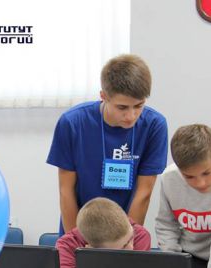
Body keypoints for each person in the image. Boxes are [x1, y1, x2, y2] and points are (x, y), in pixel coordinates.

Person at [47, 54, 168, 235]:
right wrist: (75, 241)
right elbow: (66, 191)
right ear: (103, 96)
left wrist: (126, 241)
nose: (131, 116)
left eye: (138, 106)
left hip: (125, 231)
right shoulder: (73, 123)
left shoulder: (154, 125)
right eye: (122, 107)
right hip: (79, 228)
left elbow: (143, 194)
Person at [155, 124, 211, 268]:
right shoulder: (169, 178)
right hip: (191, 258)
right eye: (189, 177)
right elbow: (166, 224)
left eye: (206, 173)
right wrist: (172, 261)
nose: (200, 183)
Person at [56, 197, 151, 268]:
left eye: (130, 238)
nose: (131, 248)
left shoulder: (140, 235)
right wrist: (94, 258)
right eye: (123, 247)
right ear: (95, 248)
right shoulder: (66, 244)